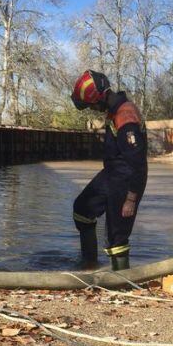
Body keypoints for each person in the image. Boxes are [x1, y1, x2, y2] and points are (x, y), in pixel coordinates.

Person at [70, 70, 148, 271]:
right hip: (111, 174)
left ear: (101, 99)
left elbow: (138, 163)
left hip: (126, 179)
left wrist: (131, 198)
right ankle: (89, 266)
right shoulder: (114, 111)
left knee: (117, 237)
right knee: (82, 209)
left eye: (92, 106)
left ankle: (122, 283)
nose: (93, 110)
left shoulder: (125, 116)